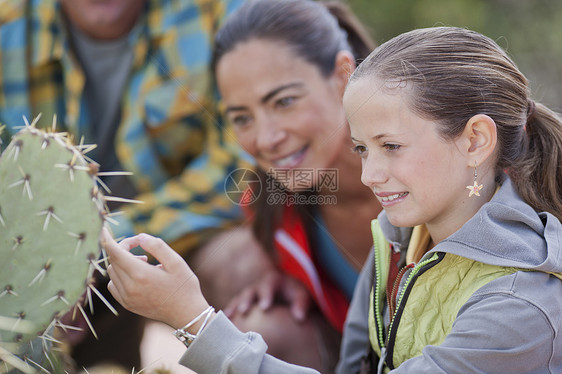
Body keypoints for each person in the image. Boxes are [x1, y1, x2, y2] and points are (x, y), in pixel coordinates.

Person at [104, 25, 562, 373]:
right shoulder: (400, 236)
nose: (370, 174)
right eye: (362, 148)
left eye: (392, 146)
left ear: (476, 140)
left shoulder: (520, 306)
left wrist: (193, 319)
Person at [0, 0, 246, 370]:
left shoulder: (220, 14)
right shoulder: (9, 22)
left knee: (246, 266)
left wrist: (85, 256)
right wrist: (40, 278)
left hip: (179, 232)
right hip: (37, 248)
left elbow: (241, 170)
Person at [174, 0, 381, 371]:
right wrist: (285, 272)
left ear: (343, 76)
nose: (265, 139)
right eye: (242, 118)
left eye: (284, 101)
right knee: (259, 322)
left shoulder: (433, 172)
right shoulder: (273, 202)